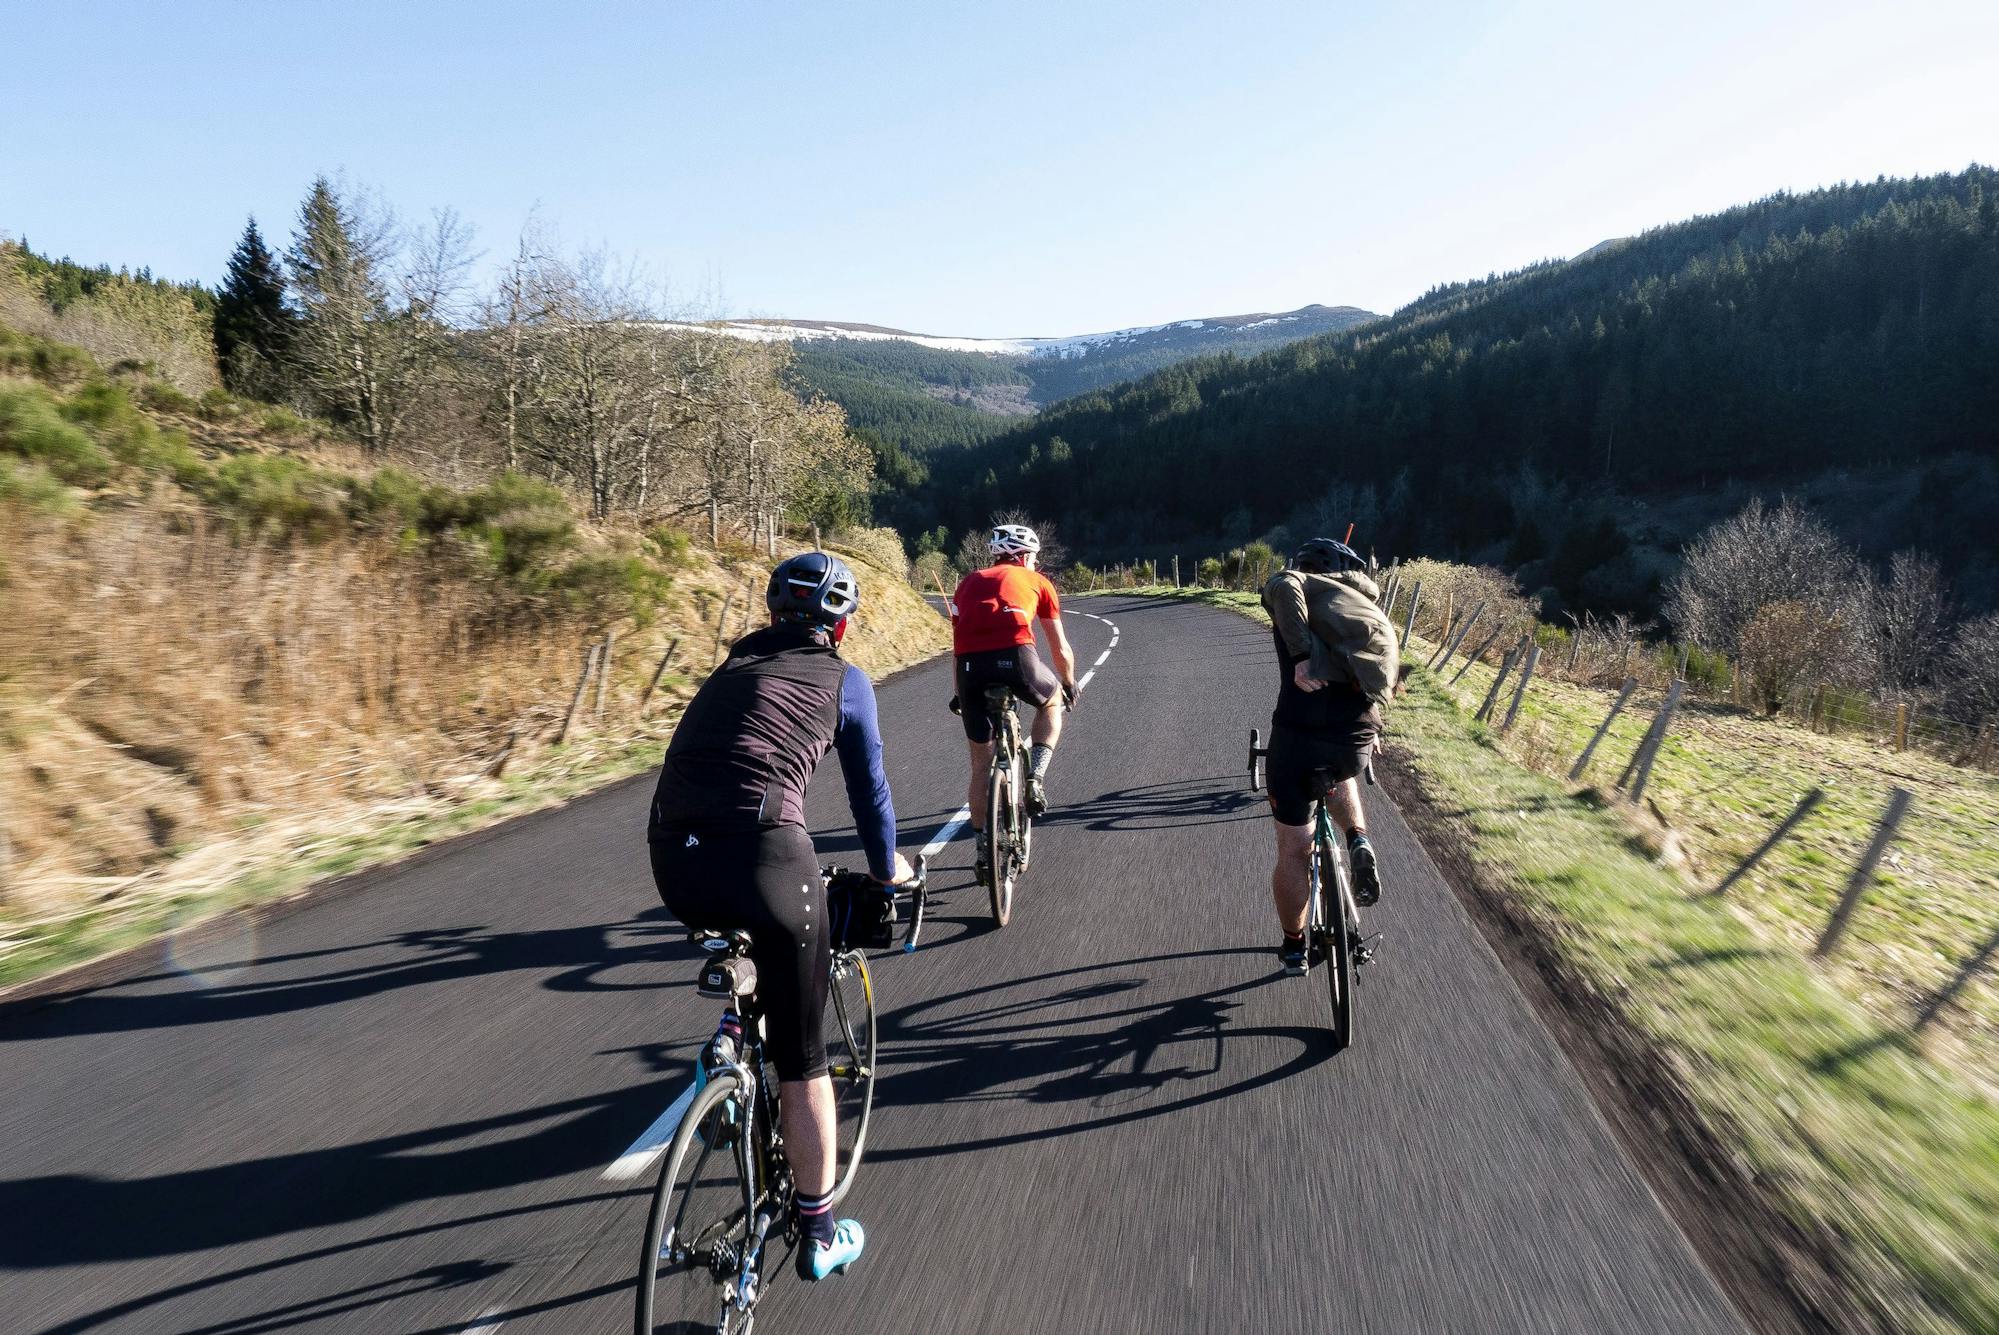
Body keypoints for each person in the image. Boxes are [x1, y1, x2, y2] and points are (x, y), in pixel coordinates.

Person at [646, 550, 914, 1282]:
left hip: (672, 857)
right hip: (766, 859)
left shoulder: (727, 669)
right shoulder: (846, 681)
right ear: (844, 623)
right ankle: (821, 1229)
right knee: (803, 1061)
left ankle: (731, 1036)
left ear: (771, 613)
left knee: (748, 933)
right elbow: (871, 796)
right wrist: (890, 872)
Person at [1259, 538, 1402, 975]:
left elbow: (1283, 586)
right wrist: (1373, 729)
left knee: (1293, 848)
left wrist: (1302, 657)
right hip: (1354, 737)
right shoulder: (1363, 609)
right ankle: (1357, 838)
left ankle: (1295, 946)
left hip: (1298, 738)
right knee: (1342, 774)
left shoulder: (1296, 591)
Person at [949, 524, 1078, 875]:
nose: (1036, 562)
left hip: (970, 669)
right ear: (1023, 556)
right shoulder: (1039, 583)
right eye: (1034, 557)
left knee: (980, 766)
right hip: (1016, 658)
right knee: (1050, 703)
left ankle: (982, 851)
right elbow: (1059, 647)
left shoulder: (968, 582)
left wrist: (959, 692)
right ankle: (1035, 776)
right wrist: (1067, 683)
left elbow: (957, 644)